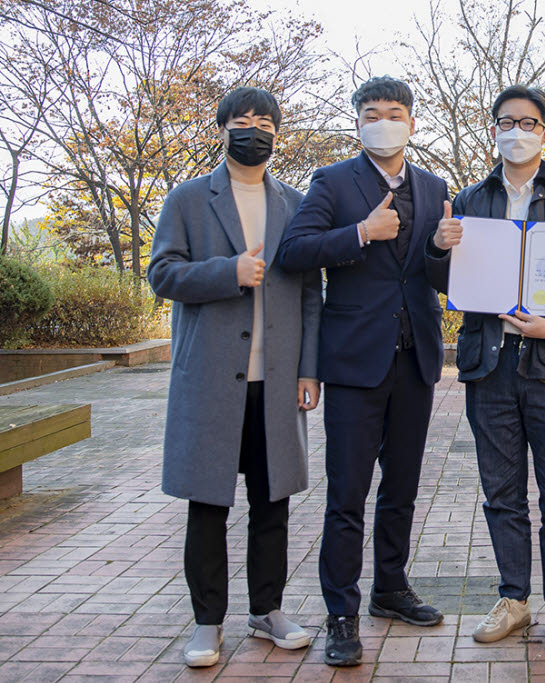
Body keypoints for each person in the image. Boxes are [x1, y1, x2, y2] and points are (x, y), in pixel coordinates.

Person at [426, 85, 545, 652]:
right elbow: (447, 282)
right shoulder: (469, 199)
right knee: (500, 491)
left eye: (528, 123)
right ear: (493, 131)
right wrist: (438, 247)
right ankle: (514, 598)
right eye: (506, 122)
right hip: (491, 364)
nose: (517, 131)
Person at [277, 76, 448, 668]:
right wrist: (359, 233)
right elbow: (294, 252)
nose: (383, 121)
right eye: (371, 113)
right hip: (353, 362)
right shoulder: (331, 181)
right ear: (356, 122)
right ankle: (341, 612)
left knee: (401, 487)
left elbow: (436, 277)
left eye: (393, 112)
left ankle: (391, 589)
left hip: (417, 356)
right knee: (348, 494)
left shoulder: (434, 186)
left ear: (411, 121)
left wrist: (446, 250)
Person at [147, 87, 322, 668]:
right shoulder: (190, 199)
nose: (254, 129)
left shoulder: (296, 206)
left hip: (275, 385)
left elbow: (311, 297)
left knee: (273, 503)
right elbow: (163, 274)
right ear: (221, 129)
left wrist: (308, 370)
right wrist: (230, 271)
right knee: (208, 505)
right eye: (242, 121)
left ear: (279, 133)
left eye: (265, 121)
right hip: (210, 382)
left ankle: (267, 610)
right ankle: (207, 622)